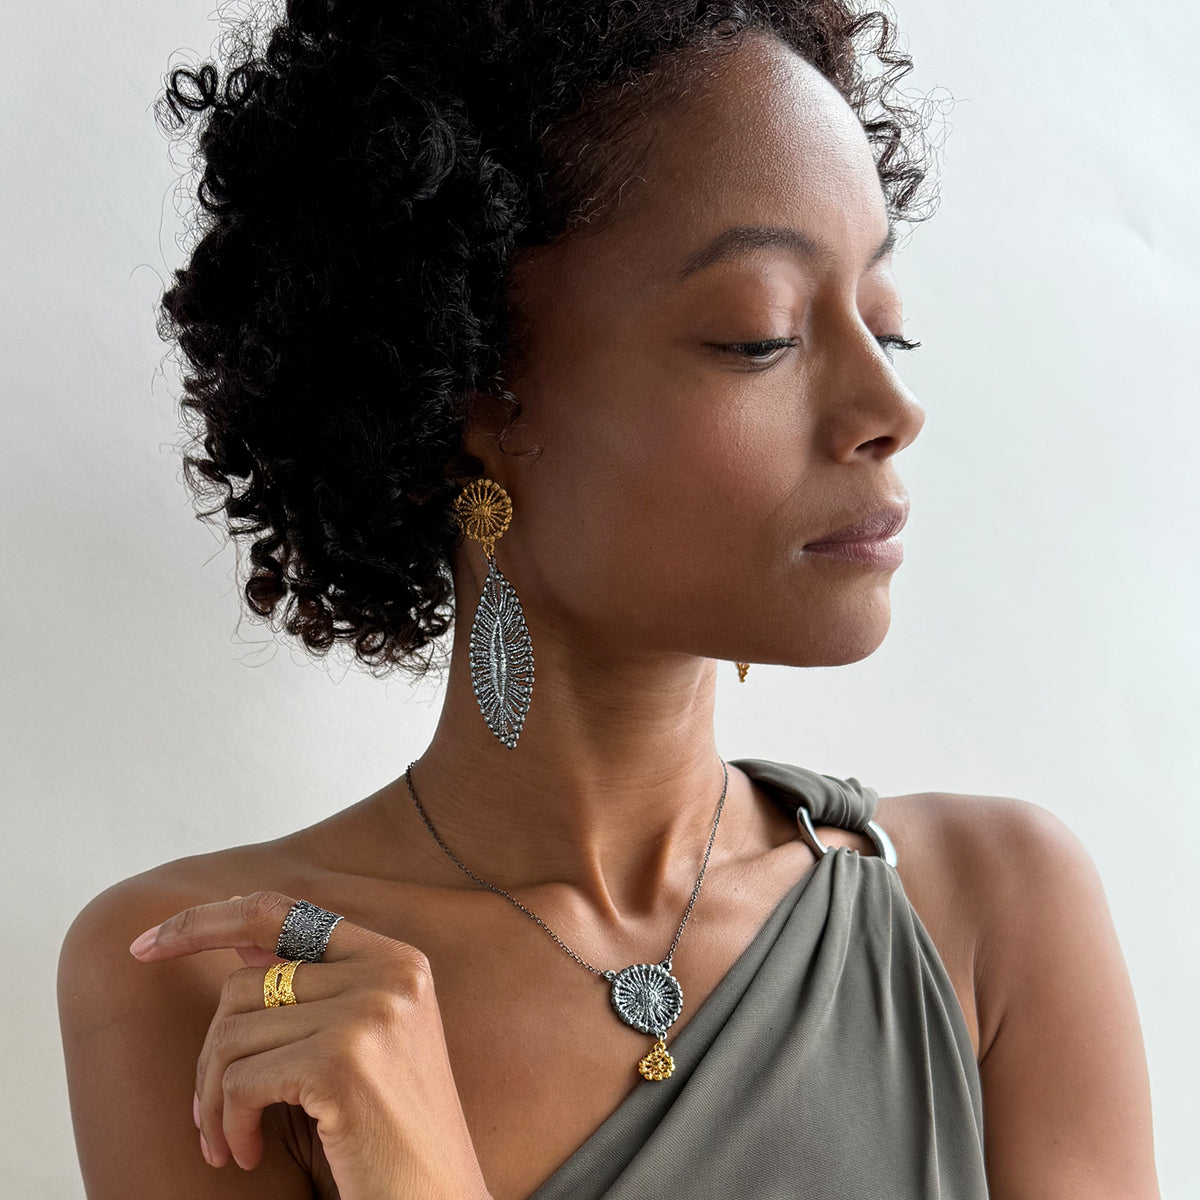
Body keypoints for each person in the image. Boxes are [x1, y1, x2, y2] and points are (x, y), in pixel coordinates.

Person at [57, 2, 1160, 1197]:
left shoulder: (997, 910)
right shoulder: (218, 971)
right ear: (471, 394)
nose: (889, 404)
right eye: (762, 336)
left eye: (888, 324)